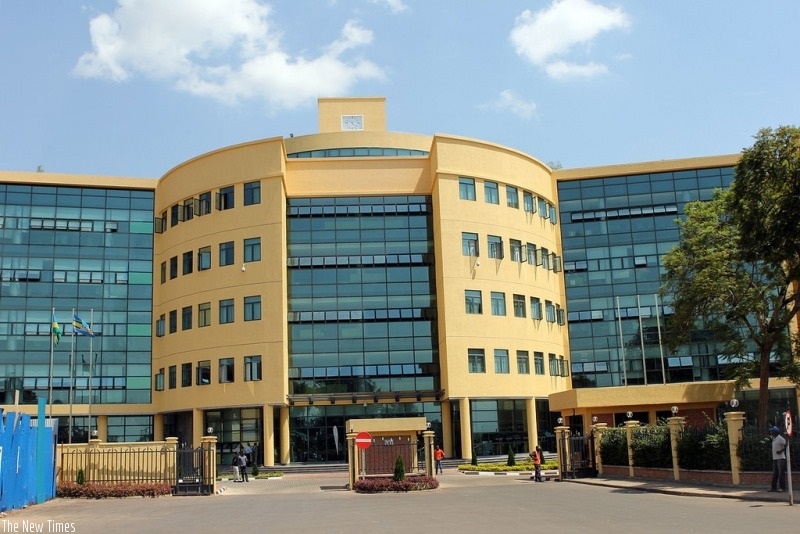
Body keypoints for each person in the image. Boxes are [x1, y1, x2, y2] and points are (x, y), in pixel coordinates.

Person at [769, 426, 786, 492]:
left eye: (772, 431)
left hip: (780, 458)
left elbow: (786, 445)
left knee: (781, 474)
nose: (771, 432)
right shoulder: (774, 438)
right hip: (775, 458)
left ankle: (782, 488)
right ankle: (773, 487)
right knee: (775, 474)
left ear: (775, 432)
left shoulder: (780, 438)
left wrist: (781, 451)